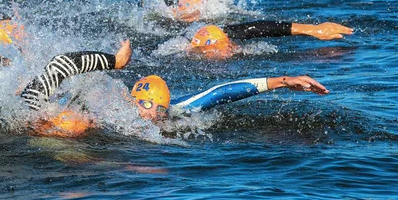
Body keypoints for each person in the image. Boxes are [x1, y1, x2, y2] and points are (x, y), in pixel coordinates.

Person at [20, 42, 328, 137]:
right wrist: (115, 61)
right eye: (152, 109)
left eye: (162, 111)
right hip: (28, 131)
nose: (155, 117)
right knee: (73, 123)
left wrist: (283, 81)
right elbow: (60, 64)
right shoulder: (103, 106)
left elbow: (220, 92)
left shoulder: (166, 113)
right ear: (138, 101)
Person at [186, 21, 353, 60]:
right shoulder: (187, 54)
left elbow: (262, 28)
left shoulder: (232, 38)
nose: (230, 49)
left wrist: (312, 30)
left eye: (229, 44)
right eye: (223, 47)